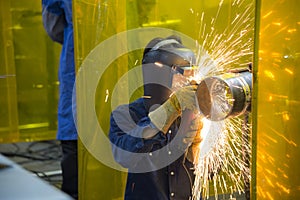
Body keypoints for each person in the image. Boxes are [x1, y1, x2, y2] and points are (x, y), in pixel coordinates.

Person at [109, 35, 203, 200]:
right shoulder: (125, 115)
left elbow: (212, 171)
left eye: (192, 73)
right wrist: (168, 111)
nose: (190, 81)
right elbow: (125, 156)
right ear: (159, 76)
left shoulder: (193, 112)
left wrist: (197, 148)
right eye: (184, 73)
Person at [42, 0, 78, 199]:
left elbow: (53, 26)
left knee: (74, 123)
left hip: (76, 55)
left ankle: (73, 193)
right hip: (118, 51)